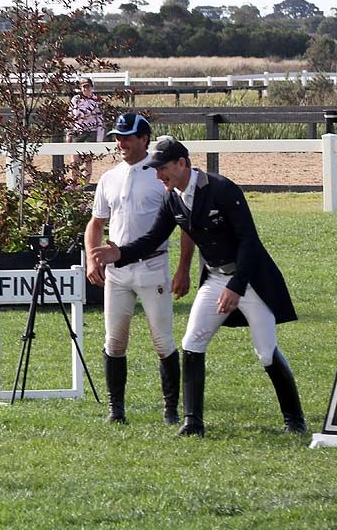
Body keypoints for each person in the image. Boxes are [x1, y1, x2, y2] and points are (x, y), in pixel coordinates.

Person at [91, 136, 306, 437]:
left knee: (266, 353)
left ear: (181, 163)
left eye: (162, 168)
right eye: (155, 169)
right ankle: (193, 422)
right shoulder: (172, 197)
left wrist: (236, 286)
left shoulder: (221, 188)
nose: (158, 175)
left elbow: (249, 241)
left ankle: (295, 419)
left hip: (249, 280)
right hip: (215, 278)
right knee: (192, 343)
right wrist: (120, 254)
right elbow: (153, 238)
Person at [85, 113, 195, 424]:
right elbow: (96, 223)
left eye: (127, 138)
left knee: (163, 341)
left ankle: (171, 410)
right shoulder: (109, 178)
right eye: (117, 138)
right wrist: (92, 257)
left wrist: (183, 269)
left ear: (144, 139)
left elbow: (185, 225)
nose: (121, 143)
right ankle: (116, 409)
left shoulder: (160, 176)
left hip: (152, 267)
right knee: (114, 341)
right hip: (118, 272)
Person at [66, 77, 105, 182]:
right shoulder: (76, 100)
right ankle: (74, 182)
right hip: (77, 132)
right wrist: (69, 133)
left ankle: (85, 184)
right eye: (83, 87)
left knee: (88, 159)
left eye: (87, 87)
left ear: (92, 87)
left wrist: (99, 139)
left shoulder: (97, 101)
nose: (85, 89)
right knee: (74, 160)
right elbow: (70, 117)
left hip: (91, 132)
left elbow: (100, 120)